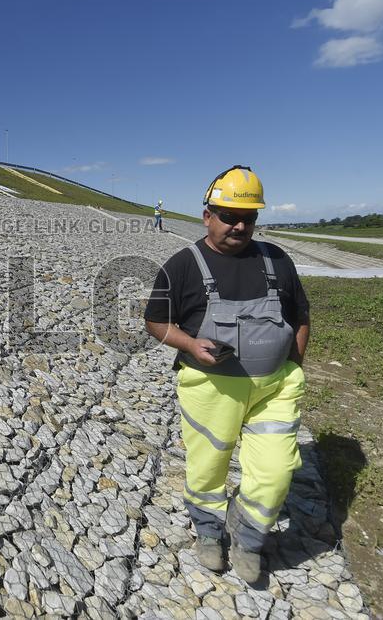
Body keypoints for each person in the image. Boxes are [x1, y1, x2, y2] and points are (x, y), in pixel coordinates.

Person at [143, 165, 310, 584]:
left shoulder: (277, 259)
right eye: (229, 216)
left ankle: (249, 537)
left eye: (248, 218)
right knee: (208, 469)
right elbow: (156, 321)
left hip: (275, 388)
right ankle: (209, 531)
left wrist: (292, 365)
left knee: (275, 470)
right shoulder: (182, 265)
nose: (239, 225)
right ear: (207, 216)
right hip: (210, 389)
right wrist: (190, 345)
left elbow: (301, 316)